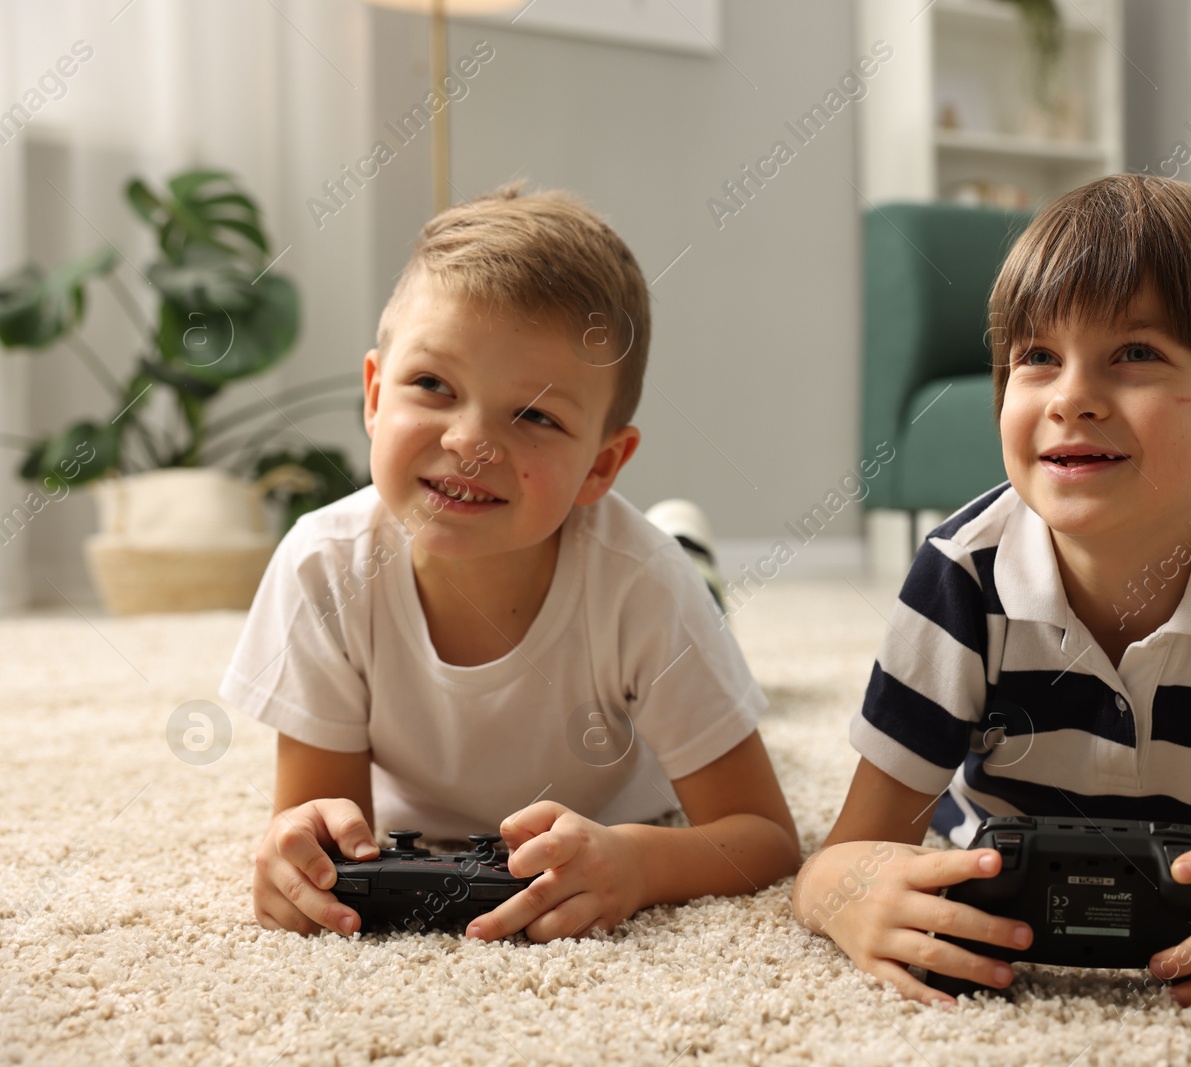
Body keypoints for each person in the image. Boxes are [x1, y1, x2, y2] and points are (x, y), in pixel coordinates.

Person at [792, 174, 1191, 1007]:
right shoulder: (961, 573)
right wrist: (852, 897)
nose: (1069, 397)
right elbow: (839, 858)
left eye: (1135, 354)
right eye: (1037, 357)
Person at [223, 185, 798, 942]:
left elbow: (762, 835)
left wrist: (638, 860)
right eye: (433, 385)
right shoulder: (321, 567)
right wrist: (298, 860)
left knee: (682, 586)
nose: (471, 441)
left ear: (601, 466)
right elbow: (326, 830)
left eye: (534, 416)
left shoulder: (643, 585)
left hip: (652, 613)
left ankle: (696, 556)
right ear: (372, 394)